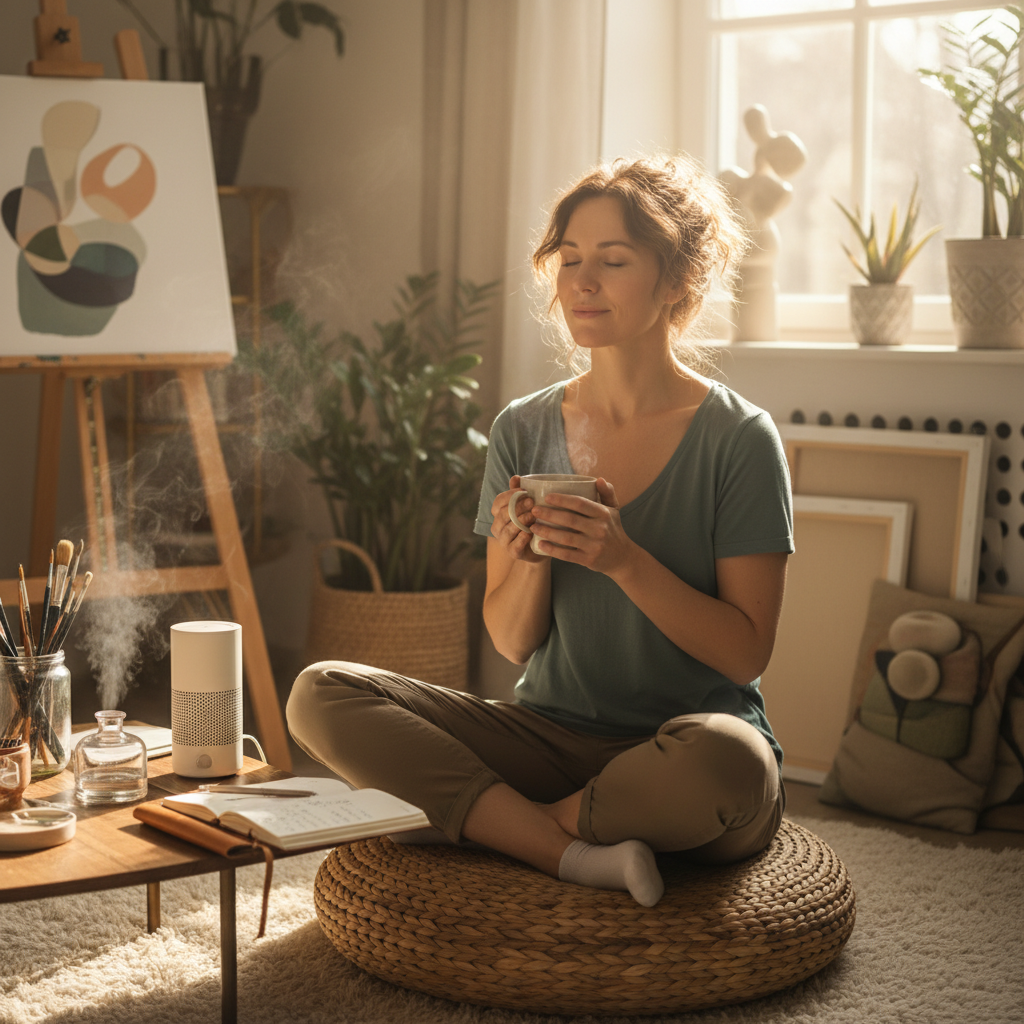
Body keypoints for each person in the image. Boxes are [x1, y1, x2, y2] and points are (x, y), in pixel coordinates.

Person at [287, 155, 793, 907]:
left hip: (683, 745)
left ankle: (499, 828)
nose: (582, 283)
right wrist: (525, 562)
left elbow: (746, 649)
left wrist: (623, 561)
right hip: (548, 740)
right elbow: (513, 642)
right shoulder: (522, 427)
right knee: (320, 692)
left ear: (678, 280)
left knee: (730, 763)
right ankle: (570, 851)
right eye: (569, 259)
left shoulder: (738, 438)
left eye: (613, 261)